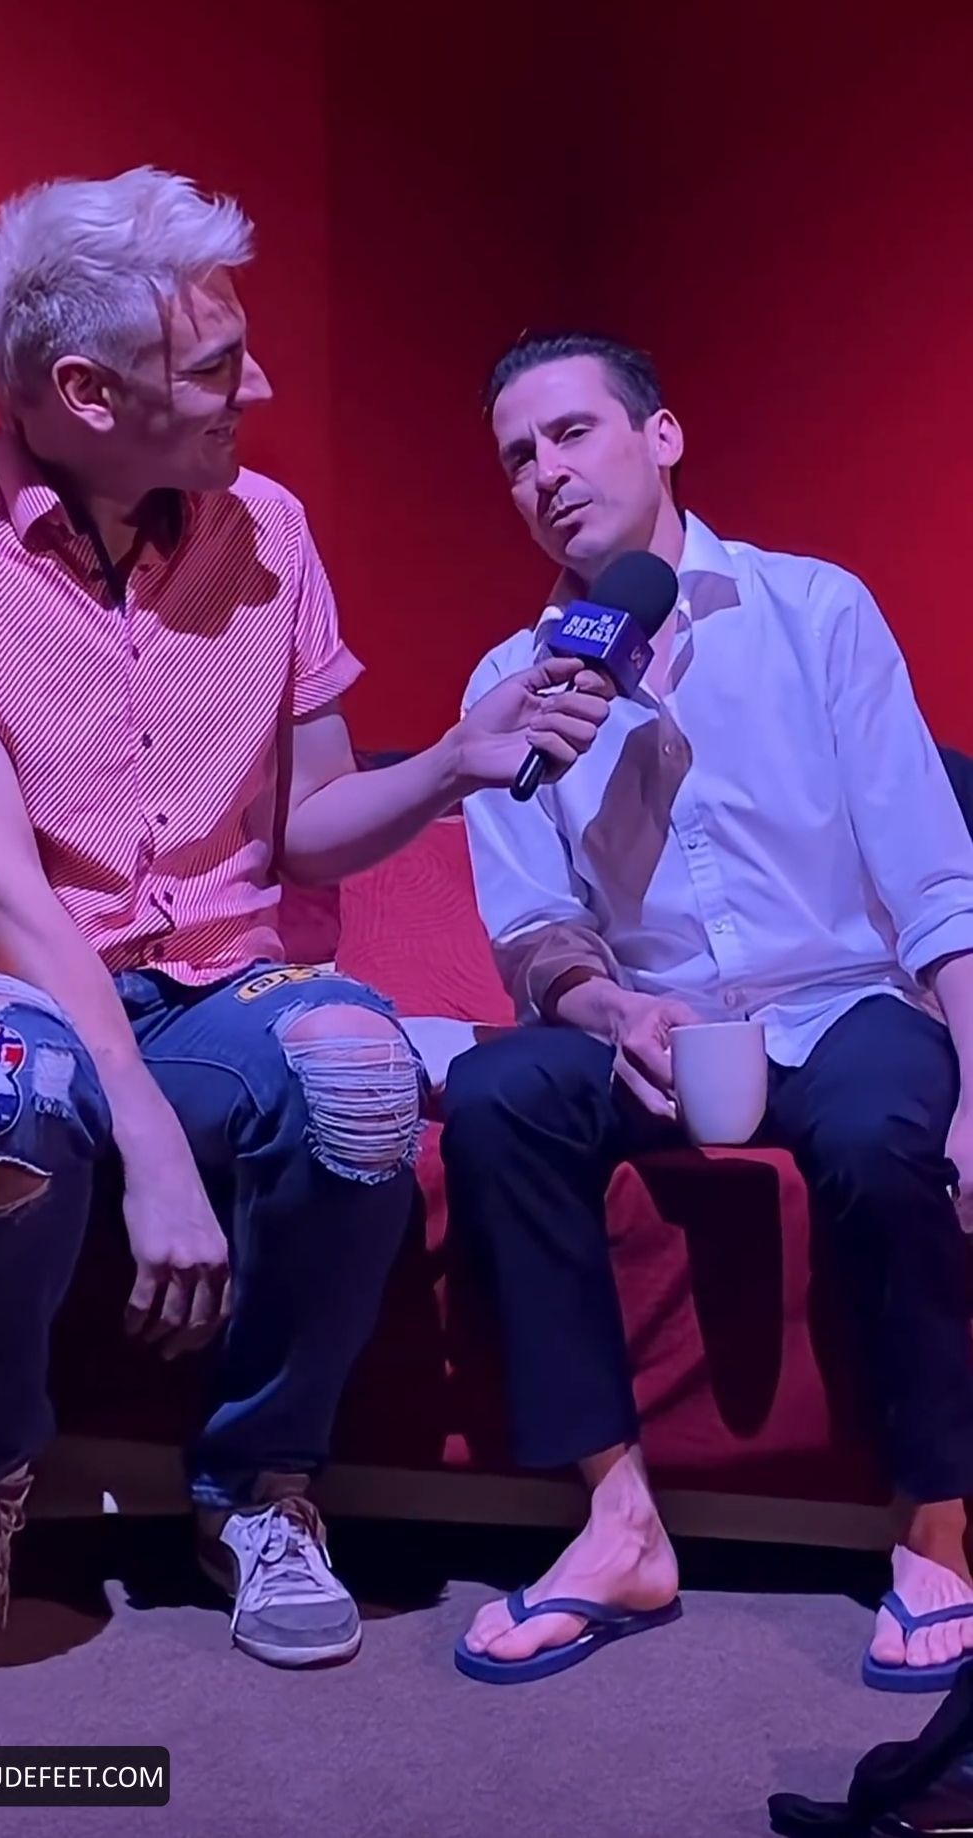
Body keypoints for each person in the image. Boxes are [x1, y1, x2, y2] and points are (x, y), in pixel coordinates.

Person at [0, 180, 614, 1670]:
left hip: (213, 981)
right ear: (87, 394)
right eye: (218, 363)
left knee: (358, 1067)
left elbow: (307, 825)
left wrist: (454, 761)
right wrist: (150, 1139)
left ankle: (259, 1481)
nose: (260, 385)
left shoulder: (267, 529)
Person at [440, 329, 973, 1689]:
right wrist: (610, 1008)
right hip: (651, 1027)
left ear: (661, 436)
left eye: (571, 433)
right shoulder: (515, 683)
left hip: (838, 1001)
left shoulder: (814, 610)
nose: (545, 475)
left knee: (881, 1132)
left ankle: (938, 1524)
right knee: (498, 1097)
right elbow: (534, 932)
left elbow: (931, 877)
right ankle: (618, 1520)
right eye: (517, 457)